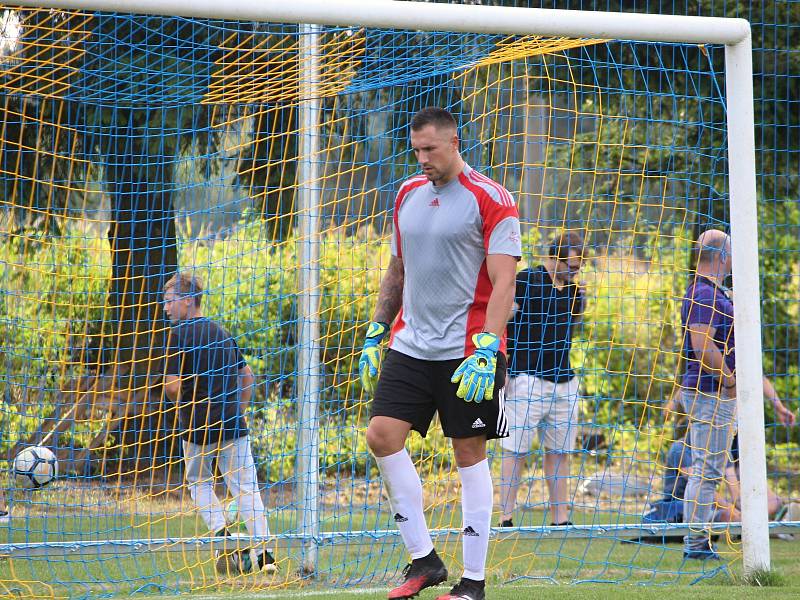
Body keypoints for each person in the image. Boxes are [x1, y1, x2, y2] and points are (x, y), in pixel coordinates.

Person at [358, 107, 521, 600]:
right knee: (381, 437)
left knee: (468, 454)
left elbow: (504, 282)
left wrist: (488, 348)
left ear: (454, 143)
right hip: (410, 345)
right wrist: (376, 329)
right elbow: (397, 269)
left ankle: (473, 583)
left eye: (430, 149)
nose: (422, 158)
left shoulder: (492, 200)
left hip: (469, 352)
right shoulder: (407, 194)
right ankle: (425, 561)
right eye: (416, 151)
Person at [680, 229, 795, 560]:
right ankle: (696, 546)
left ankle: (699, 542)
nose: (733, 260)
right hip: (708, 393)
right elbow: (702, 346)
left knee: (712, 468)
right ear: (720, 257)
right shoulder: (703, 294)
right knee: (707, 469)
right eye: (730, 253)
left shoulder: (720, 293)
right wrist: (729, 381)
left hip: (722, 393)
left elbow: (741, 356)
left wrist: (775, 402)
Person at [162, 272, 276, 574]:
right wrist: (238, 409)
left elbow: (172, 387)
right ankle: (265, 557)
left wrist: (177, 397)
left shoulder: (179, 335)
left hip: (197, 425)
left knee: (199, 482)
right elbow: (248, 376)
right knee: (246, 488)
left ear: (188, 301)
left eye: (170, 301)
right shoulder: (223, 333)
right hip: (232, 424)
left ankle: (221, 533)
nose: (166, 308)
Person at [498, 232, 585, 528]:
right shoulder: (526, 281)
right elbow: (501, 321)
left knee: (560, 452)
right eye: (571, 266)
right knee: (516, 449)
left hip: (565, 380)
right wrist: (505, 369)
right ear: (553, 257)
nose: (575, 272)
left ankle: (560, 519)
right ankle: (505, 517)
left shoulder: (574, 293)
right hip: (526, 378)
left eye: (578, 267)